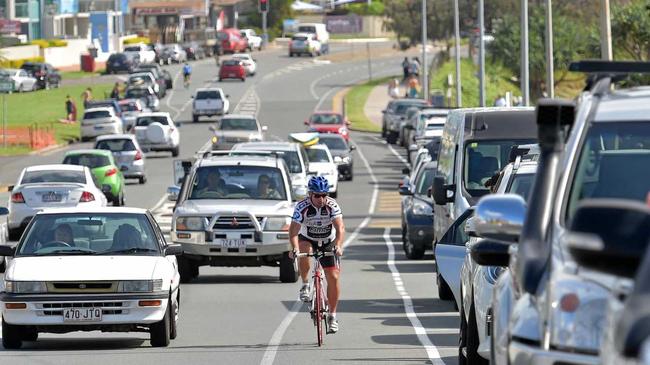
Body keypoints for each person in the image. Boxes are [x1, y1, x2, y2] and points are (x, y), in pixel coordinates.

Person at [289, 176, 345, 333]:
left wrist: (339, 246)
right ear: (310, 195)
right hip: (308, 239)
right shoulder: (302, 207)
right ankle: (305, 284)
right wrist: (294, 249)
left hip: (328, 241)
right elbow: (293, 231)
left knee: (333, 277)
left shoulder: (332, 206)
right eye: (317, 196)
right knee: (304, 250)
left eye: (324, 195)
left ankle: (333, 316)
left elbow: (340, 228)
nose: (321, 199)